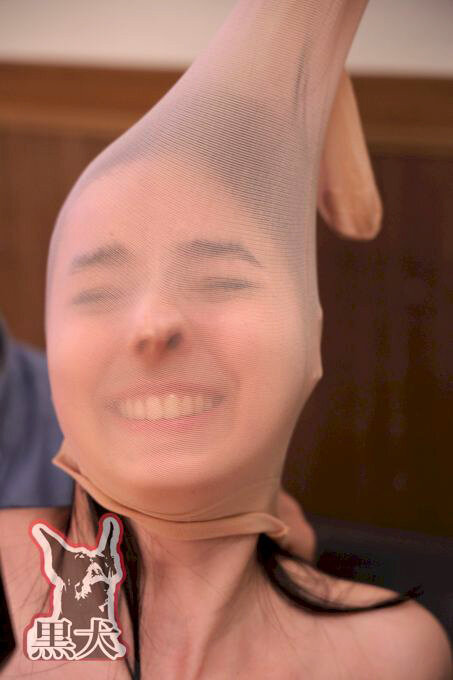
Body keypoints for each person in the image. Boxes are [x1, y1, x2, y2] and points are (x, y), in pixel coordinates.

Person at [1, 1, 451, 678]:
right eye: (98, 292)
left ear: (310, 333)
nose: (152, 324)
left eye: (218, 280)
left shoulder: (391, 653)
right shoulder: (17, 586)